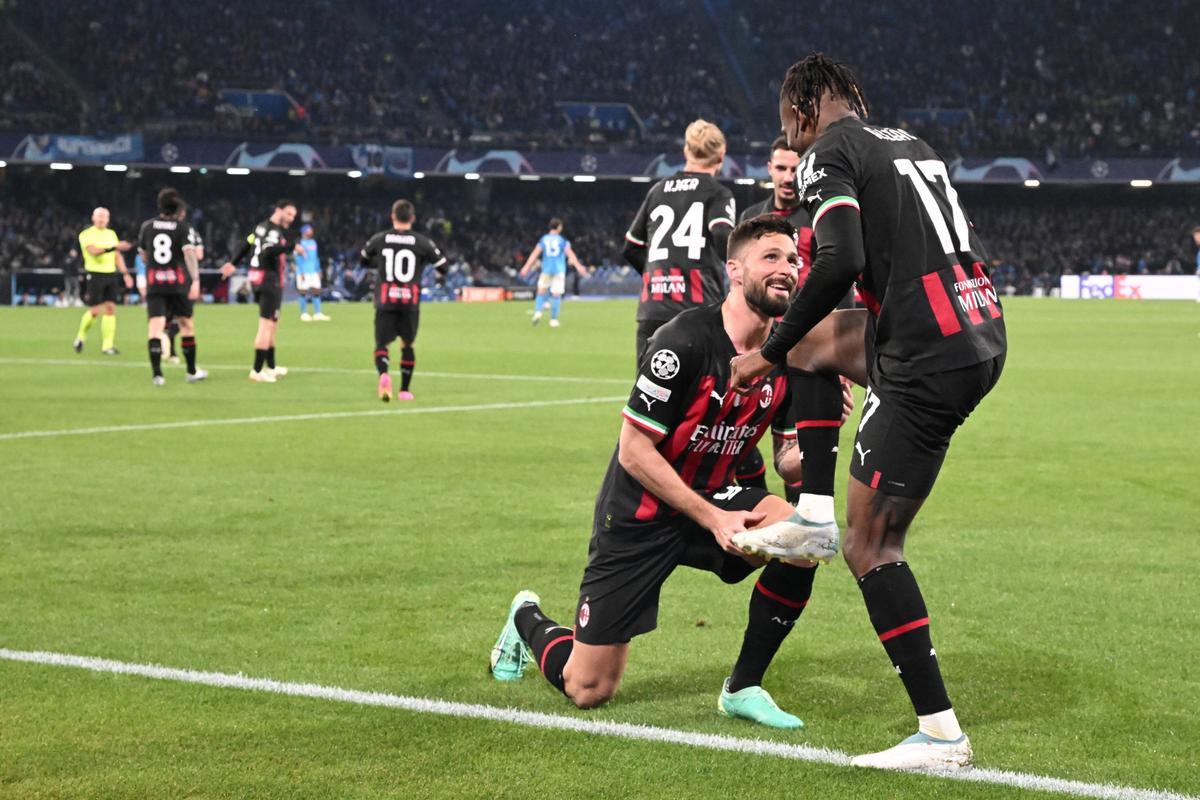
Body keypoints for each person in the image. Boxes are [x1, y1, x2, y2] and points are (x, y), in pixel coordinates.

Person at [728, 53, 1007, 771]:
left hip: (925, 355)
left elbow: (842, 256)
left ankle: (941, 735)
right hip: (974, 328)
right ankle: (813, 508)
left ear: (800, 111)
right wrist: (794, 345)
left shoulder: (826, 151)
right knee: (814, 349)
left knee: (872, 546)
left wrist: (768, 347)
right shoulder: (910, 143)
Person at [491, 216, 842, 728]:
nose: (786, 268)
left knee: (803, 540)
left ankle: (742, 686)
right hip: (642, 513)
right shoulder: (683, 341)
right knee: (588, 688)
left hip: (723, 494)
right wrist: (711, 519)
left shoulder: (788, 355)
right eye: (770, 257)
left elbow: (786, 457)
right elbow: (634, 451)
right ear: (735, 269)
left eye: (792, 259)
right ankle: (525, 619)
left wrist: (821, 430)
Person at [741, 136, 855, 524]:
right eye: (781, 168)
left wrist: (841, 358)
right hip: (762, 351)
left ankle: (798, 547)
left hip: (808, 353)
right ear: (769, 169)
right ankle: (755, 519)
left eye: (795, 168)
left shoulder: (820, 214)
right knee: (738, 445)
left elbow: (844, 283)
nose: (788, 177)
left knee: (799, 459)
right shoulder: (752, 219)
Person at [623, 119, 736, 364]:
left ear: (686, 150)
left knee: (648, 398)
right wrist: (740, 271)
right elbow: (720, 235)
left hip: (653, 308)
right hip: (698, 308)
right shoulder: (718, 193)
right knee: (701, 395)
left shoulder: (658, 190)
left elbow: (631, 246)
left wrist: (661, 275)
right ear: (721, 155)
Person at [360, 199, 448, 402]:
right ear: (413, 218)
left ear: (392, 216)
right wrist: (422, 262)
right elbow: (443, 267)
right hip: (410, 301)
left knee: (382, 344)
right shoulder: (422, 241)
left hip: (386, 299)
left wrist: (380, 263)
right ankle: (405, 390)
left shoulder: (380, 238)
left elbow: (363, 260)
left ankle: (383, 374)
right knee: (407, 345)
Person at [220, 200, 300, 383]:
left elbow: (247, 244)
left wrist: (233, 263)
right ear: (278, 210)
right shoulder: (273, 231)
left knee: (272, 324)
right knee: (266, 326)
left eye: (293, 216)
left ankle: (271, 366)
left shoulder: (260, 228)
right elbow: (267, 251)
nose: (291, 219)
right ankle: (256, 370)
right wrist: (290, 247)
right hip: (269, 280)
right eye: (288, 214)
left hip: (259, 279)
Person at [137, 188, 207, 386]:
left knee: (155, 328)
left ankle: (157, 375)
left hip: (155, 284)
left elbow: (143, 255)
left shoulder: (147, 226)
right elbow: (190, 254)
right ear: (177, 208)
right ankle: (191, 371)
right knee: (186, 325)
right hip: (177, 284)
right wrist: (195, 279)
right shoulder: (182, 227)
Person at [73, 207, 133, 355]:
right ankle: (80, 337)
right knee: (94, 311)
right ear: (93, 218)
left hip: (110, 274)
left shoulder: (111, 234)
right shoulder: (86, 234)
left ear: (108, 219)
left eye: (104, 216)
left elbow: (117, 255)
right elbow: (93, 251)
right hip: (95, 274)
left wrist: (125, 273)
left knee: (111, 309)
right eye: (99, 216)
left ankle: (107, 346)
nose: (101, 219)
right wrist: (113, 247)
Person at [518, 218, 588, 328]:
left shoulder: (544, 239)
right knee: (556, 294)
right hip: (559, 270)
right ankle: (553, 320)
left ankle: (538, 312)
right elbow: (570, 254)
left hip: (546, 269)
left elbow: (535, 254)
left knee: (541, 291)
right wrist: (579, 266)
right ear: (559, 227)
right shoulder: (561, 240)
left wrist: (526, 267)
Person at [296, 224, 329, 321]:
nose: (311, 231)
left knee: (317, 291)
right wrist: (301, 272)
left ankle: (317, 313)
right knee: (303, 292)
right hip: (304, 271)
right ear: (304, 231)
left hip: (313, 271)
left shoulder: (313, 242)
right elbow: (298, 258)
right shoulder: (300, 243)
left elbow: (316, 257)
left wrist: (318, 270)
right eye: (309, 230)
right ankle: (304, 313)